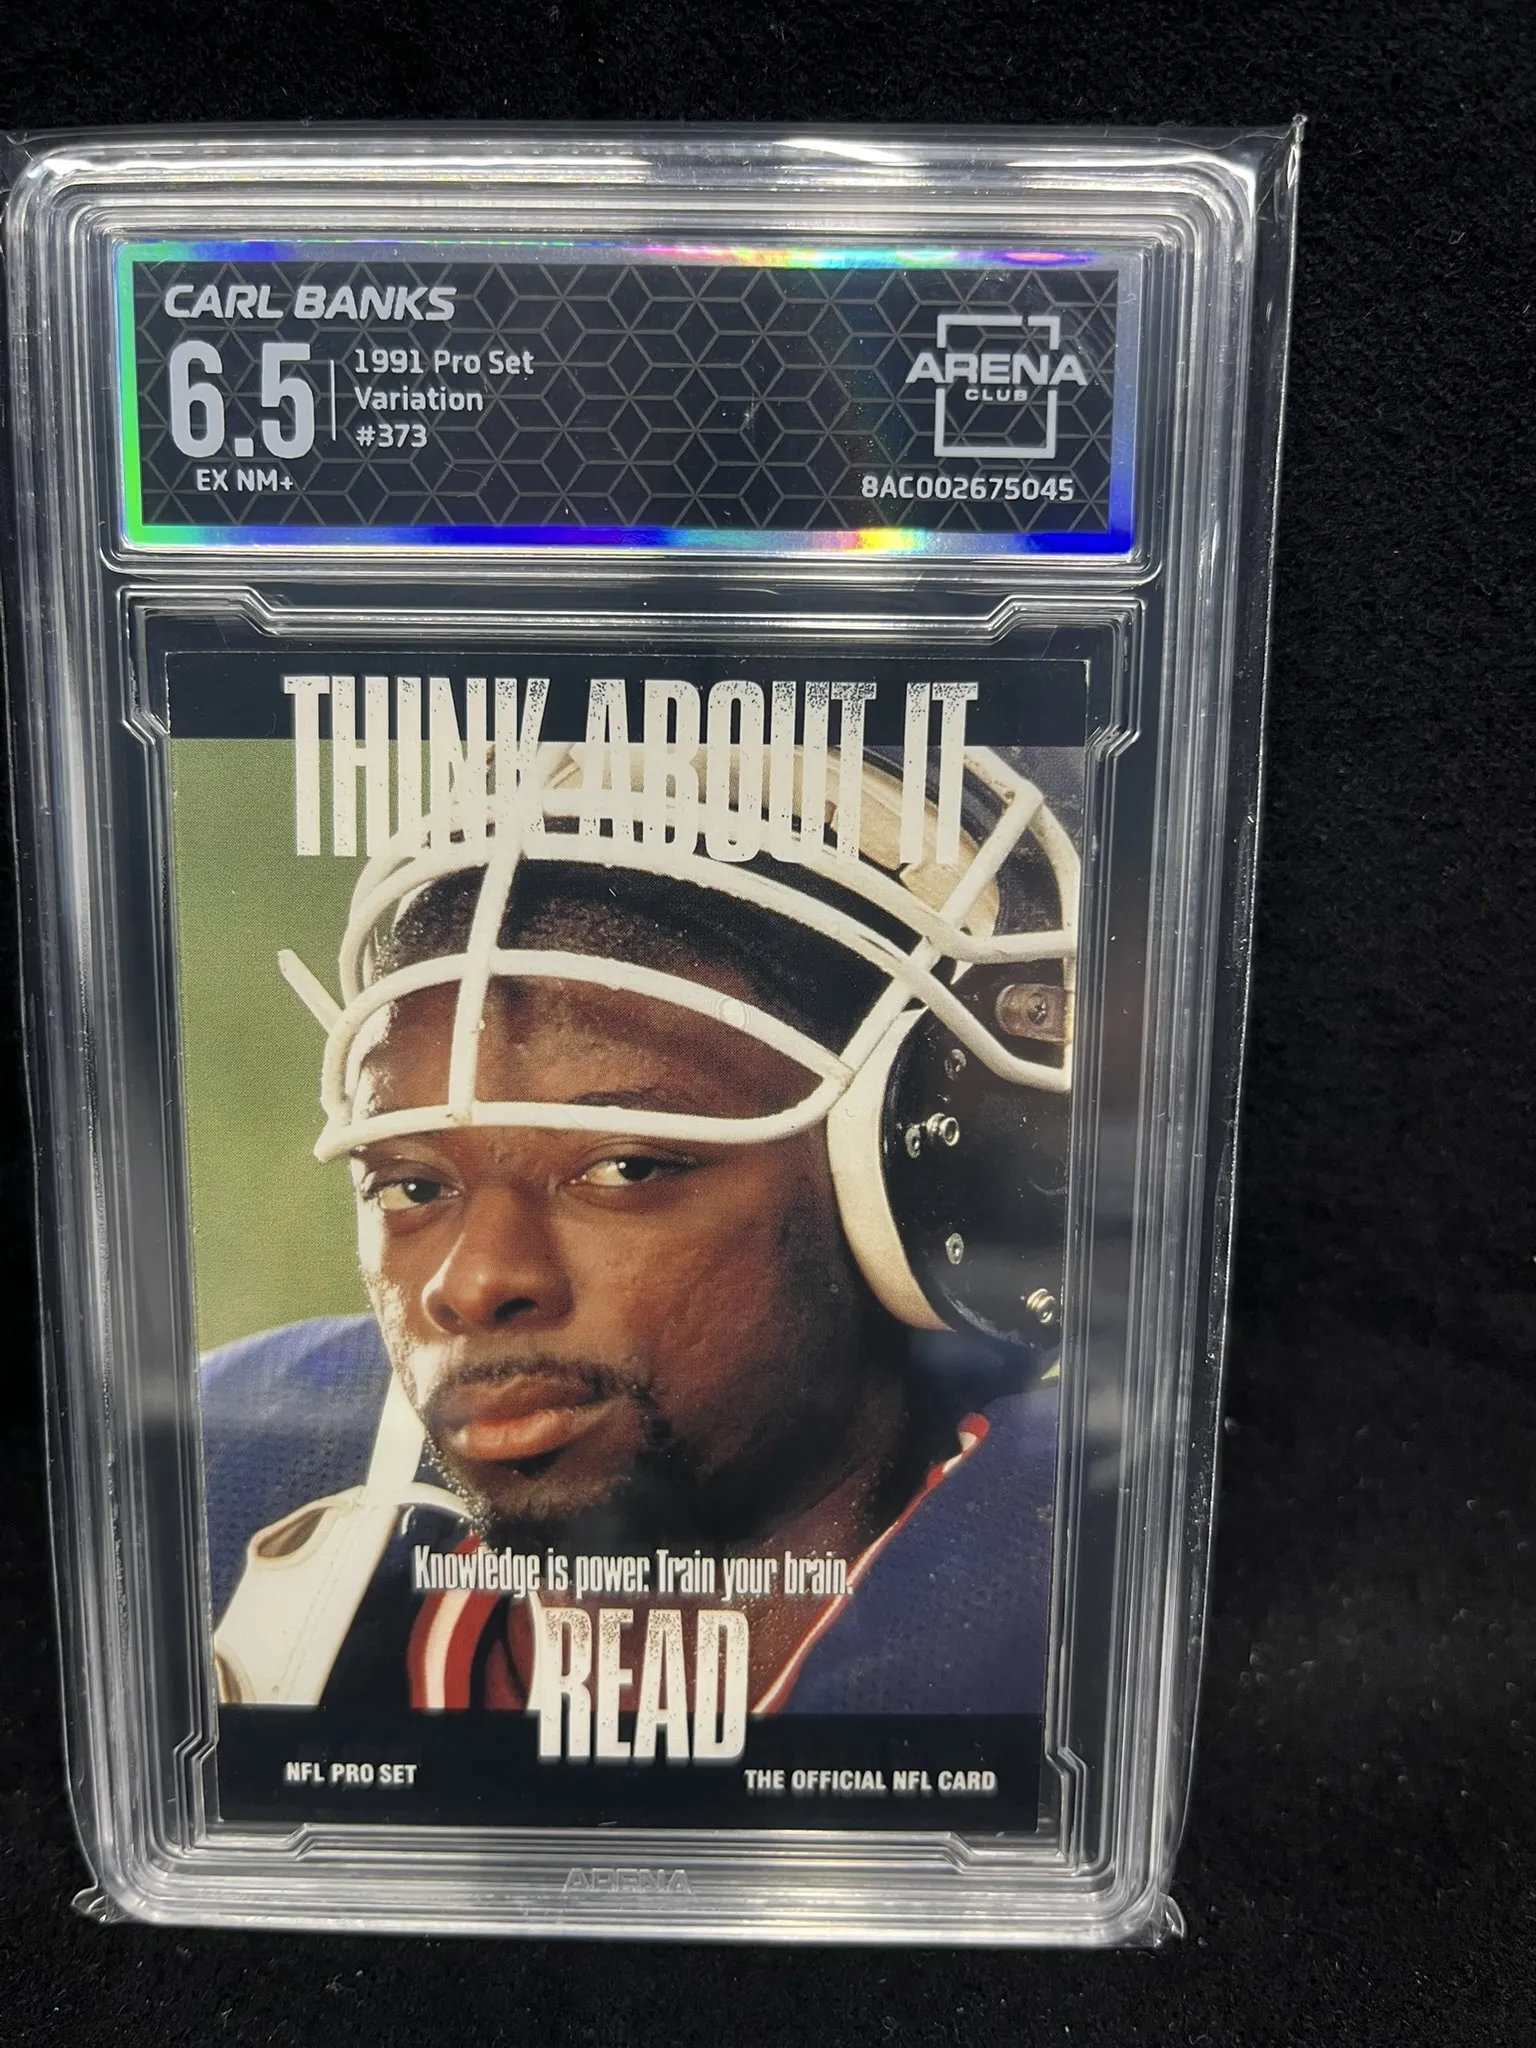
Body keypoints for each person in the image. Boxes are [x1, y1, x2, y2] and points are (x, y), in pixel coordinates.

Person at [202, 744, 1073, 1721]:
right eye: (412, 1185)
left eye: (627, 1168)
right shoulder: (234, 1485)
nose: (473, 1282)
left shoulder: (1073, 1609)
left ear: (911, 1189)